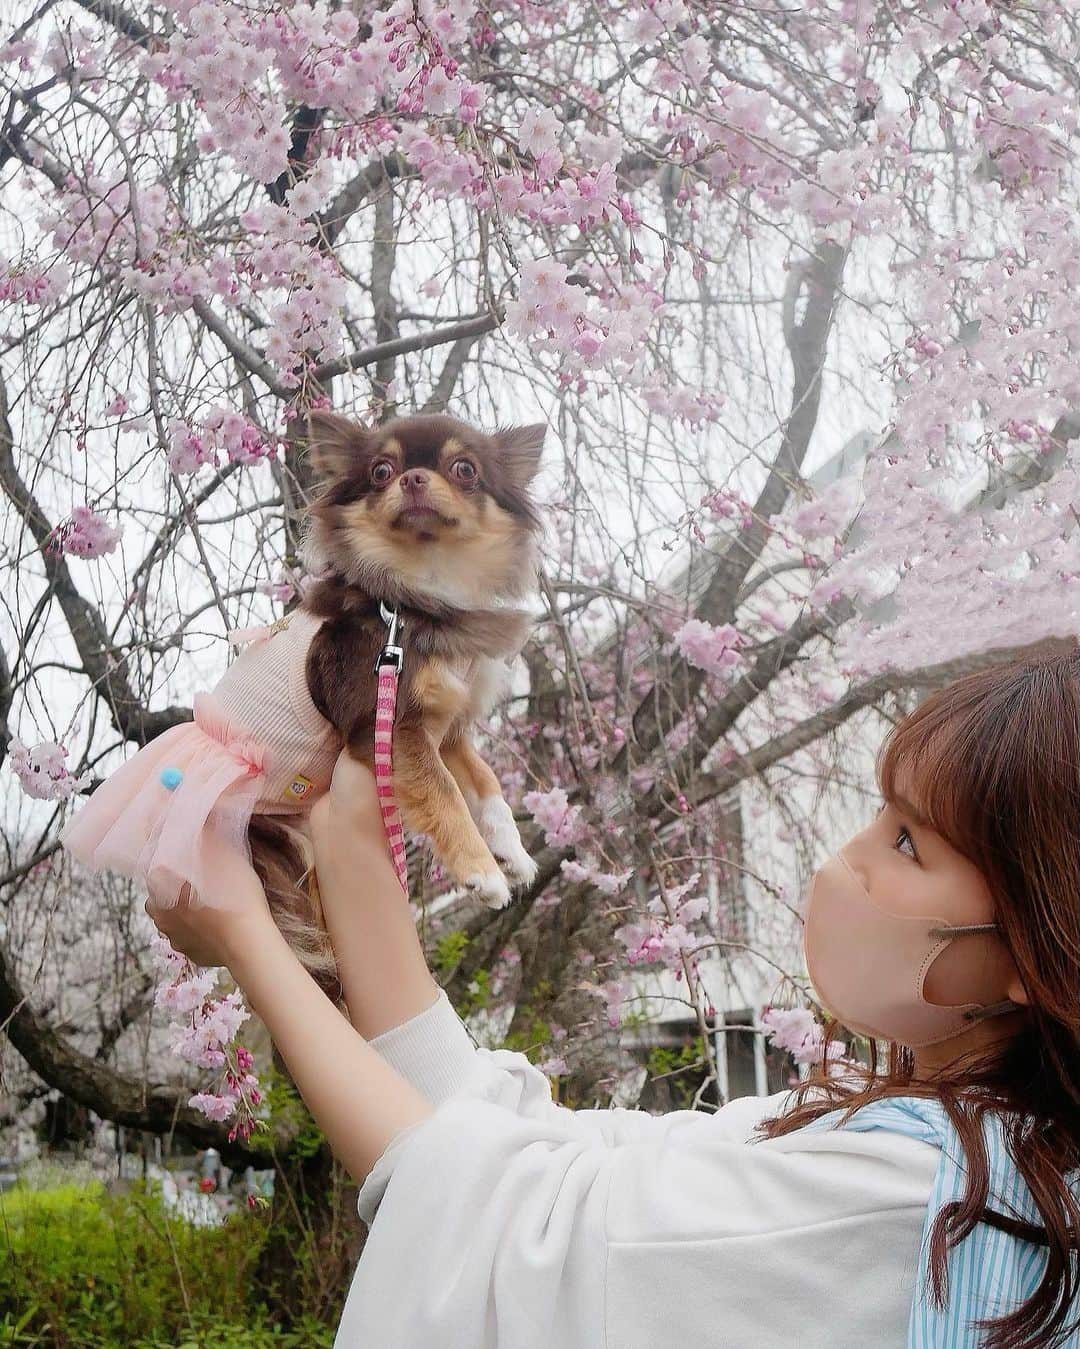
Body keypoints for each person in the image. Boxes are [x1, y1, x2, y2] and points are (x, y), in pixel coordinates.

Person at [146, 649, 1080, 1348]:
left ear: (1041, 947)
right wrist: (350, 843)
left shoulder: (913, 1207)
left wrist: (244, 928)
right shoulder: (953, 1149)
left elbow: (513, 1233)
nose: (853, 856)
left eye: (910, 844)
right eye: (882, 815)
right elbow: (529, 1159)